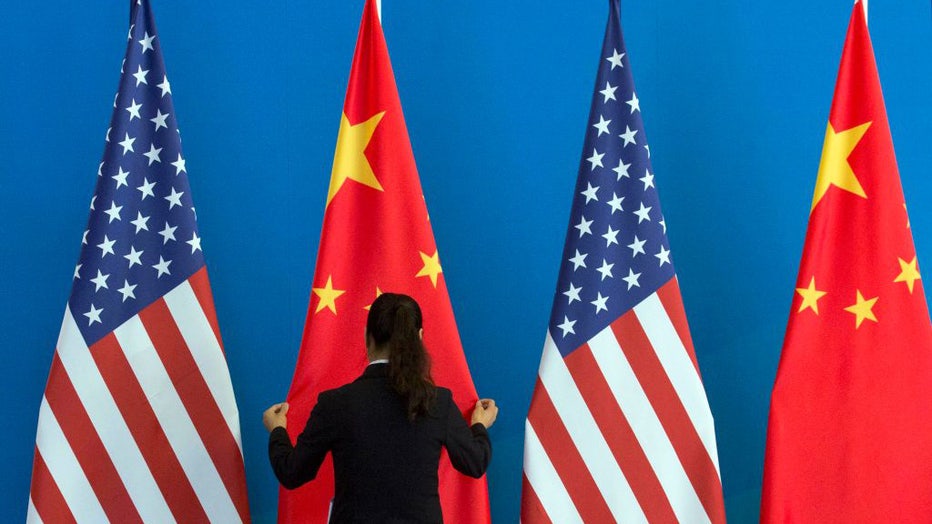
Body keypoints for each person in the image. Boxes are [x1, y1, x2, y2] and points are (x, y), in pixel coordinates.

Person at [264, 292, 498, 523]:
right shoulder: (438, 401)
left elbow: (292, 472)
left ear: (367, 336)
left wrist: (277, 430)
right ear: (419, 337)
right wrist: (479, 424)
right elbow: (475, 463)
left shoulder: (334, 403)